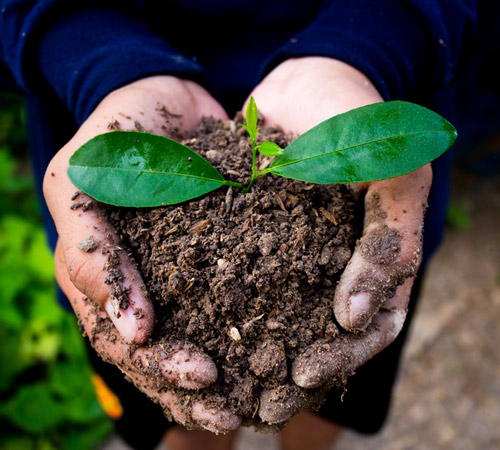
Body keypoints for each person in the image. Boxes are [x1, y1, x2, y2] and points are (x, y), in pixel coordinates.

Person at [1, 1, 499, 449]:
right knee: (182, 417)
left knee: (341, 372)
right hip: (104, 96)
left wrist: (367, 47)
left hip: (362, 87)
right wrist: (107, 68)